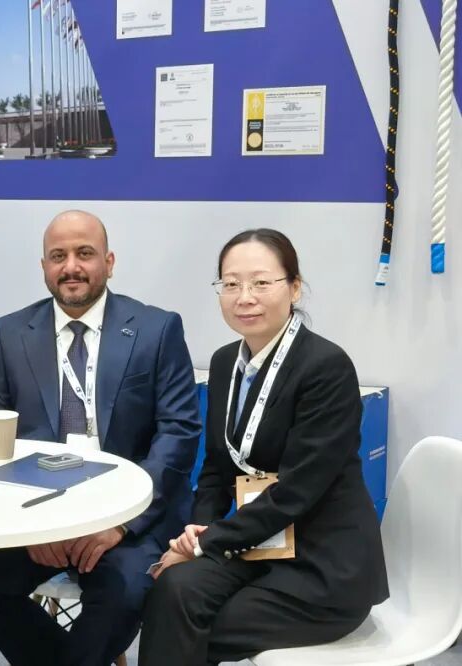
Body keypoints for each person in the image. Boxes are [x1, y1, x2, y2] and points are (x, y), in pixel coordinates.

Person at [138, 229, 389, 665]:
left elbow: (296, 491)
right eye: (231, 284)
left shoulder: (326, 367)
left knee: (182, 622)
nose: (244, 297)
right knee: (173, 592)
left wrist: (203, 545)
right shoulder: (224, 363)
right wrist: (198, 531)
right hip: (258, 544)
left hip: (322, 566)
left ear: (294, 287)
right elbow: (216, 468)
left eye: (261, 282)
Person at [0, 210, 201, 665]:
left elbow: (179, 432)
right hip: (34, 516)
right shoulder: (9, 334)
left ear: (109, 263)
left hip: (128, 519)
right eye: (58, 256)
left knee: (124, 594)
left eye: (85, 253)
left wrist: (121, 523)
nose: (71, 266)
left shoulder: (156, 329)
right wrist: (33, 526)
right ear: (44, 267)